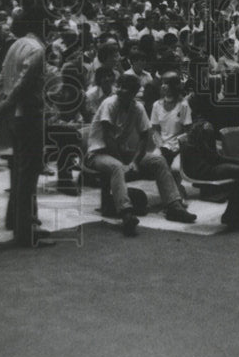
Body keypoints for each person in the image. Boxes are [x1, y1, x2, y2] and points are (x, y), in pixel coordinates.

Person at [84, 74, 196, 237]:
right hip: (98, 153)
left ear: (134, 93)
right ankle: (126, 213)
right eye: (119, 86)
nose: (121, 91)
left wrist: (135, 161)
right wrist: (124, 163)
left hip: (122, 152)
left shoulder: (138, 108)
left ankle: (174, 206)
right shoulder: (109, 104)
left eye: (126, 89)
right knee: (117, 167)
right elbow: (108, 138)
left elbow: (145, 136)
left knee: (158, 160)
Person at [0, 1, 51, 248]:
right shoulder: (36, 48)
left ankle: (20, 224)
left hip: (13, 118)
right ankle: (25, 233)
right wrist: (5, 107)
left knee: (19, 171)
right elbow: (23, 85)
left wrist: (0, 109)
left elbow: (0, 81)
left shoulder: (14, 45)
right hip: (28, 116)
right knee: (29, 174)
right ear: (41, 24)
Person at [180, 120, 239, 228]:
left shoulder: (204, 138)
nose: (211, 133)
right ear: (200, 131)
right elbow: (209, 163)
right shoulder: (191, 145)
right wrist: (235, 164)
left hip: (211, 168)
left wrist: (238, 162)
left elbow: (216, 158)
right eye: (208, 130)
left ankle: (236, 214)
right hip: (204, 171)